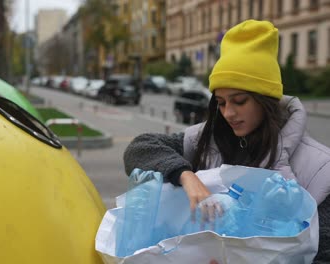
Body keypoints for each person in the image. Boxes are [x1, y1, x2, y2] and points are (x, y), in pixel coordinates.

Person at [123, 19, 330, 262]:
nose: (228, 113)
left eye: (239, 101)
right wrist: (186, 176)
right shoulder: (204, 140)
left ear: (266, 100)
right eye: (221, 103)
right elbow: (139, 149)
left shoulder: (320, 167)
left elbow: (322, 253)